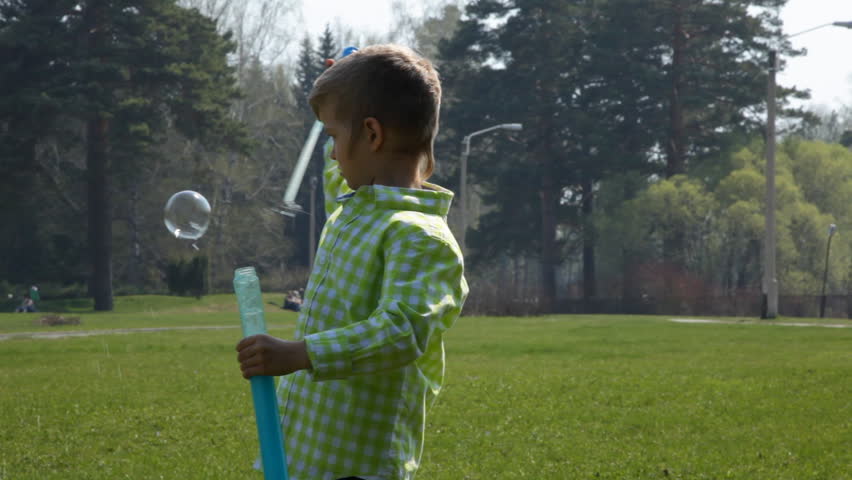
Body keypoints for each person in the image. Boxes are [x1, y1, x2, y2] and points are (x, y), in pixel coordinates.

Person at [236, 45, 468, 480]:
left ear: (373, 135)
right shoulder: (359, 207)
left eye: (333, 138)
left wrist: (301, 354)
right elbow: (339, 167)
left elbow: (402, 331)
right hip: (309, 453)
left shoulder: (419, 236)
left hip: (358, 466)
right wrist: (351, 83)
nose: (332, 153)